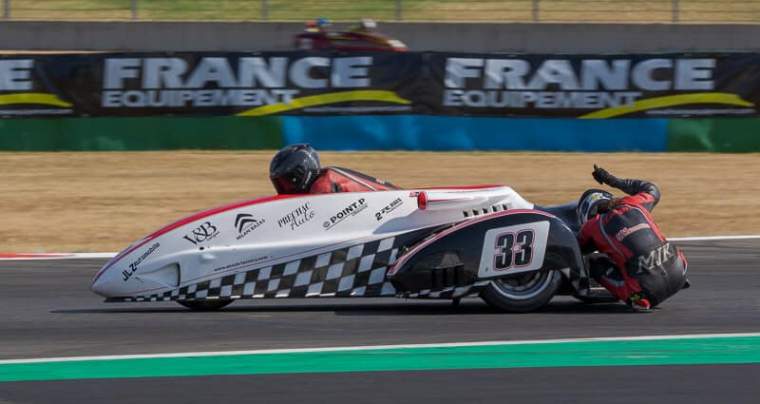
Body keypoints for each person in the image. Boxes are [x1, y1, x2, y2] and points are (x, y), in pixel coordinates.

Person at [577, 165, 688, 311]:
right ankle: (681, 279)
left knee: (592, 263)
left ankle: (637, 298)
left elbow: (577, 251)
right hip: (679, 272)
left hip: (649, 291)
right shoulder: (634, 203)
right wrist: (613, 181)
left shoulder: (592, 226)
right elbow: (652, 188)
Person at [269, 144, 398, 194]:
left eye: (287, 182)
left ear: (302, 173)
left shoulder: (322, 187)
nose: (284, 188)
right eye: (280, 184)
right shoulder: (325, 178)